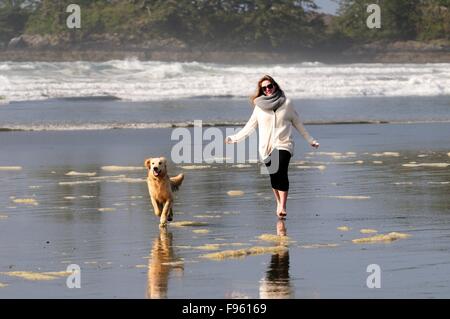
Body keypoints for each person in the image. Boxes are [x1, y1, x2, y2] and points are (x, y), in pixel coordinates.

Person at [225, 75, 319, 219]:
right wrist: (235, 138)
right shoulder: (259, 107)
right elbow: (250, 126)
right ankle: (278, 202)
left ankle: (283, 205)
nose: (268, 89)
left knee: (281, 170)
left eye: (270, 86)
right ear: (261, 90)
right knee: (274, 177)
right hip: (265, 148)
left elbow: (298, 123)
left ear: (275, 86)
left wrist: (310, 140)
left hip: (284, 144)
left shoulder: (287, 103)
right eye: (264, 88)